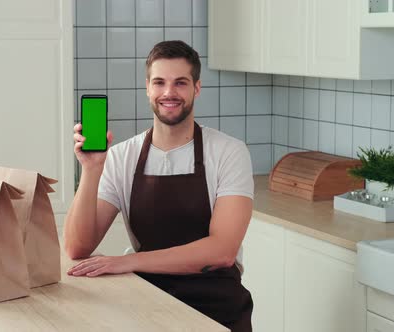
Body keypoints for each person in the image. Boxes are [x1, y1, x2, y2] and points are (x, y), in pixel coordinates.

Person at [64, 40, 254, 331]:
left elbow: (222, 251)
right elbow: (78, 246)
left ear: (197, 88)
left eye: (180, 83)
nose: (169, 92)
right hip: (147, 303)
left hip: (217, 307)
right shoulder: (121, 157)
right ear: (147, 88)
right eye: (160, 82)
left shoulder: (229, 152)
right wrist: (90, 171)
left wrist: (128, 261)